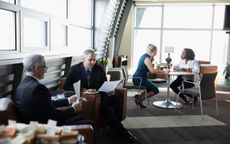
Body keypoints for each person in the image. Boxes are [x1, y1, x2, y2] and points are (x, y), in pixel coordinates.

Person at [64, 49, 137, 143]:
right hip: (86, 97)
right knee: (104, 105)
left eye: (94, 59)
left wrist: (110, 89)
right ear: (83, 59)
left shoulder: (99, 68)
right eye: (90, 60)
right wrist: (83, 89)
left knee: (116, 99)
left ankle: (116, 126)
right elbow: (67, 86)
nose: (93, 62)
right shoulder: (75, 69)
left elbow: (103, 83)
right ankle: (121, 132)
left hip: (100, 94)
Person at [15, 54, 94, 127]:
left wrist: (68, 100)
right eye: (44, 67)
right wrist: (73, 109)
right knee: (90, 123)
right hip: (46, 127)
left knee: (82, 118)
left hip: (34, 124)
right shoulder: (38, 88)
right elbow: (54, 116)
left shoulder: (22, 85)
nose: (45, 70)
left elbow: (45, 104)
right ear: (37, 68)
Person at [132, 44, 160, 108]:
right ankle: (140, 99)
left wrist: (152, 59)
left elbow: (150, 70)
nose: (156, 53)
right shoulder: (146, 58)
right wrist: (163, 71)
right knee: (155, 90)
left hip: (140, 78)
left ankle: (138, 98)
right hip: (139, 79)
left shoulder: (145, 56)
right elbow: (152, 71)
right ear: (152, 51)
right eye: (155, 52)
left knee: (151, 88)